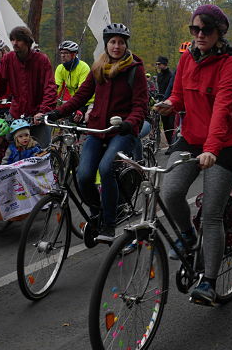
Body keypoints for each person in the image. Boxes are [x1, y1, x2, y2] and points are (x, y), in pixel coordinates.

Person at [154, 4, 232, 306]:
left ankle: (208, 281)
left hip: (226, 143)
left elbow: (223, 109)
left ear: (220, 33)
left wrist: (212, 149)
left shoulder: (231, 64)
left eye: (206, 30)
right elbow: (179, 94)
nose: (200, 35)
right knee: (170, 191)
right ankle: (186, 237)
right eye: (195, 29)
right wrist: (169, 103)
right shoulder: (186, 59)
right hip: (192, 137)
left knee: (211, 214)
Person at [46, 23, 148, 244]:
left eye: (121, 42)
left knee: (106, 168)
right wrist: (57, 112)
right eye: (113, 42)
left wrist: (130, 123)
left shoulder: (135, 68)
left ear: (125, 45)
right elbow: (81, 96)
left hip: (122, 131)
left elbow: (141, 105)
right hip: (97, 130)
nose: (117, 46)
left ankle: (109, 223)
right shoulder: (98, 66)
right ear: (106, 44)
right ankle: (97, 214)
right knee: (82, 175)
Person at [0, 27, 57, 148]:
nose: (14, 43)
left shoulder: (41, 60)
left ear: (27, 42)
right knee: (8, 150)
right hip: (16, 113)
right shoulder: (8, 59)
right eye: (12, 40)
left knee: (41, 153)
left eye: (18, 40)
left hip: (37, 115)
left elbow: (50, 88)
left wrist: (43, 111)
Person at [55, 40, 92, 124]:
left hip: (89, 101)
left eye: (66, 53)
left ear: (74, 54)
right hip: (75, 101)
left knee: (87, 119)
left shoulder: (83, 67)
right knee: (68, 125)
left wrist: (79, 109)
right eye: (61, 53)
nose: (63, 55)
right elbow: (56, 88)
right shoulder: (60, 68)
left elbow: (83, 91)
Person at [155, 56, 176, 146]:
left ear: (165, 64)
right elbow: (159, 88)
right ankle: (170, 145)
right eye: (156, 64)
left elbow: (172, 88)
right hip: (161, 101)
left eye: (159, 64)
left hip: (170, 102)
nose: (158, 66)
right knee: (165, 124)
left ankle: (173, 144)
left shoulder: (171, 75)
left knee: (171, 124)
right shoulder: (159, 76)